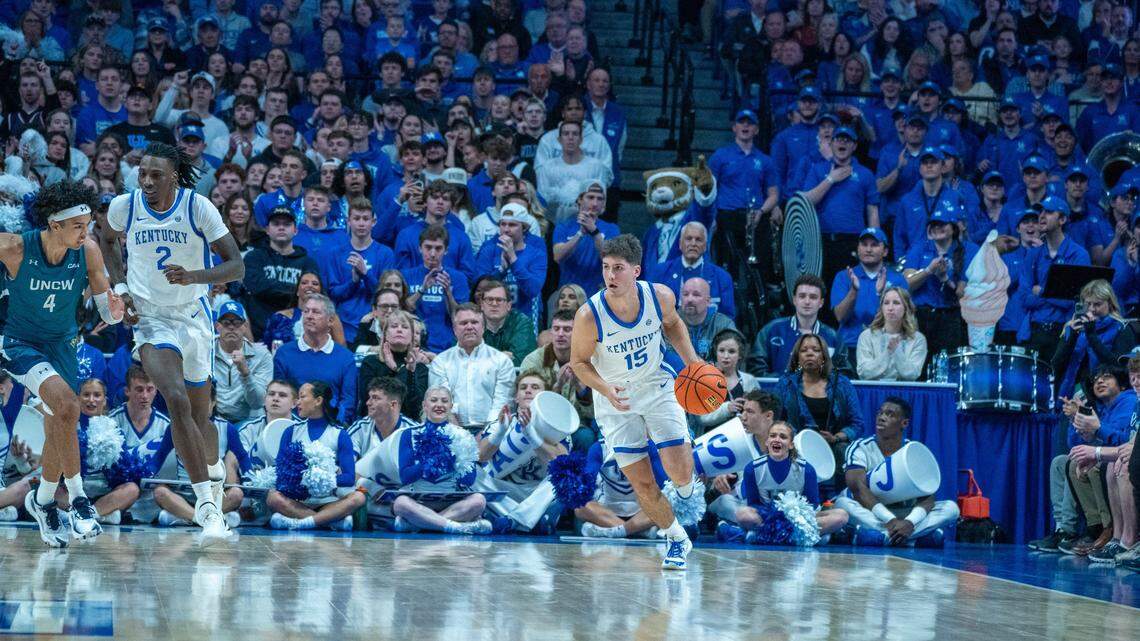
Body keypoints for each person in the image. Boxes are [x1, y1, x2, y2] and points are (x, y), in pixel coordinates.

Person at [569, 234, 707, 570]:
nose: (610, 275)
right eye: (605, 268)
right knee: (643, 483)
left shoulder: (660, 296)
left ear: (636, 271)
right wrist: (604, 388)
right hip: (614, 400)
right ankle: (677, 538)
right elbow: (579, 364)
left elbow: (673, 325)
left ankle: (687, 493)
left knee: (680, 471)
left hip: (656, 386)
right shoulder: (589, 315)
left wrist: (693, 363)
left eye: (618, 268)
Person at [0, 180, 122, 548]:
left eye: (88, 225)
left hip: (64, 345)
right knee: (69, 405)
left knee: (61, 422)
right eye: (79, 226)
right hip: (21, 343)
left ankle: (42, 501)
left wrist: (115, 310)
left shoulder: (88, 250)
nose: (87, 233)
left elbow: (105, 305)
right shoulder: (16, 247)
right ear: (54, 225)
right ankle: (80, 499)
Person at [356, 386, 492, 534]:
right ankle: (456, 526)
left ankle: (420, 525)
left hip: (451, 500)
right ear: (424, 405)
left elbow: (469, 480)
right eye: (433, 400)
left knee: (479, 501)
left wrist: (455, 459)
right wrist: (428, 461)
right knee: (401, 504)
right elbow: (405, 476)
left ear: (451, 406)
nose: (439, 405)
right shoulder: (408, 434)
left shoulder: (463, 436)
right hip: (418, 500)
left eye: (444, 401)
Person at [714, 421, 850, 544]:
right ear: (767, 441)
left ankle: (760, 536)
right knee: (743, 514)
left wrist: (793, 515)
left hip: (798, 520)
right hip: (766, 517)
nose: (777, 439)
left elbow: (812, 505)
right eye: (772, 436)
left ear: (791, 445)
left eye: (783, 437)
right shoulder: (752, 468)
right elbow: (753, 504)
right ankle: (802, 537)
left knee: (841, 516)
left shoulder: (807, 470)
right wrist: (774, 516)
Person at [474, 370, 568, 533]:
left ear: (544, 395)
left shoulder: (557, 427)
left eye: (535, 387)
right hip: (504, 492)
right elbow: (481, 456)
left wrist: (533, 437)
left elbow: (562, 462)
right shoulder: (501, 421)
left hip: (537, 493)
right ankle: (528, 520)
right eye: (523, 387)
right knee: (469, 471)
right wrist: (500, 432)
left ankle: (511, 520)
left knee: (567, 474)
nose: (529, 390)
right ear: (516, 397)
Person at [1057, 366, 1136, 556]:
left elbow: (1125, 441)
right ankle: (1091, 528)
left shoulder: (1128, 401)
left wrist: (1098, 431)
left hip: (1122, 455)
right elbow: (1075, 446)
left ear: (1122, 385)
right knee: (1064, 462)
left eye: (1107, 377)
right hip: (1116, 452)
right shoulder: (1102, 408)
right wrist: (1075, 419)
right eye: (1096, 379)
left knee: (1106, 466)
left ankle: (1112, 531)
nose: (1099, 381)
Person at [266, 382, 365, 531]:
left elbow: (349, 478)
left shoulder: (339, 434)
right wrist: (300, 480)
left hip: (330, 501)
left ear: (318, 401)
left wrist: (321, 480)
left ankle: (302, 522)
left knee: (359, 497)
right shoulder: (290, 431)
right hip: (298, 501)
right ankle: (328, 522)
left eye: (302, 397)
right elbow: (279, 472)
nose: (298, 402)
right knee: (273, 497)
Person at [803, 126, 881, 288]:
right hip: (821, 241)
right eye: (838, 139)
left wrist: (876, 243)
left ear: (854, 146)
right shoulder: (817, 169)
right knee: (820, 288)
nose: (842, 143)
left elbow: (872, 212)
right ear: (831, 144)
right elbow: (806, 202)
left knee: (850, 288)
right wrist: (831, 179)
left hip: (852, 241)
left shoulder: (865, 174)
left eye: (847, 140)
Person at [775, 334, 863, 473]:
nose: (810, 353)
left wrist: (836, 437)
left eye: (816, 350)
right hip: (796, 446)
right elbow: (777, 422)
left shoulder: (841, 383)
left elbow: (857, 423)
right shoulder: (786, 384)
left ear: (824, 356)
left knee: (844, 451)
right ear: (797, 357)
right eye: (804, 350)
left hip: (834, 447)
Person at [902, 209, 977, 369]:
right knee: (919, 367)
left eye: (943, 224)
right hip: (921, 316)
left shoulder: (968, 250)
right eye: (934, 224)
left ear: (953, 228)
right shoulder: (920, 248)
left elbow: (963, 294)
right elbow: (907, 284)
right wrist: (928, 271)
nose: (938, 228)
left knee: (949, 368)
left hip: (952, 317)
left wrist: (944, 278)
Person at [1019, 197, 1092, 361]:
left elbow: (1074, 301)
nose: (1042, 216)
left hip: (1064, 333)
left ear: (1062, 220)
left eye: (1049, 212)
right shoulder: (1032, 254)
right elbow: (1025, 299)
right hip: (1034, 332)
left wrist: (1042, 291)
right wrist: (1057, 293)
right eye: (1041, 211)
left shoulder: (1079, 255)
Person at [272, 294, 358, 423]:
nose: (309, 316)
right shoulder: (284, 353)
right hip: (292, 426)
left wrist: (334, 428)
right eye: (306, 311)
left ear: (330, 320)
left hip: (331, 428)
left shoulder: (345, 358)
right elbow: (280, 396)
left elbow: (348, 403)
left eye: (316, 312)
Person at [428, 303, 515, 426]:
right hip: (451, 430)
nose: (469, 327)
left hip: (493, 431)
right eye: (463, 323)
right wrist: (461, 436)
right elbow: (441, 404)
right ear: (454, 330)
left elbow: (503, 403)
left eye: (474, 322)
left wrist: (486, 436)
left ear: (483, 327)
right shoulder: (440, 362)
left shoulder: (502, 361)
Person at [831, 227, 909, 360]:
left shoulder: (898, 280)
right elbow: (840, 316)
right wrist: (854, 291)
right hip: (849, 347)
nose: (868, 249)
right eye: (864, 244)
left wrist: (881, 294)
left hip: (885, 347)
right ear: (858, 248)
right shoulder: (844, 277)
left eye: (874, 245)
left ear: (885, 251)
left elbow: (902, 319)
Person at [1052, 280, 1136, 402]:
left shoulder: (1121, 328)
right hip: (1069, 394)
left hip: (1104, 396)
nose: (1091, 309)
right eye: (1088, 304)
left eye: (1097, 304)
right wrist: (1072, 336)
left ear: (1110, 304)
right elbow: (1056, 365)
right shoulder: (1073, 327)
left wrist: (1091, 336)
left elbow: (1119, 366)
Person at [707, 390, 781, 522]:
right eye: (743, 411)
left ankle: (741, 529)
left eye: (750, 412)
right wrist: (721, 475)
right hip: (744, 506)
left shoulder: (787, 443)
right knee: (725, 501)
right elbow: (715, 481)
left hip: (777, 505)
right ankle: (759, 528)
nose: (743, 417)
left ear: (769, 415)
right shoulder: (736, 440)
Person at [747, 274, 845, 376]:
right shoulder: (772, 330)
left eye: (813, 297)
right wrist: (787, 384)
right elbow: (756, 370)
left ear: (821, 302)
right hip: (776, 391)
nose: (807, 302)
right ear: (794, 300)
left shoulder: (832, 337)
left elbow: (844, 375)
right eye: (802, 296)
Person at [403, 225, 471, 353]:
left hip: (447, 345)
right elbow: (401, 310)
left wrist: (448, 293)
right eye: (428, 247)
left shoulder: (458, 278)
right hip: (412, 345)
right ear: (419, 248)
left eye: (438, 248)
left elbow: (460, 317)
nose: (433, 254)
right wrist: (422, 290)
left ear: (446, 250)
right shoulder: (406, 276)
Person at [356, 310, 429, 421]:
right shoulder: (370, 362)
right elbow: (371, 401)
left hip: (408, 425)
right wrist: (392, 371)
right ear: (385, 334)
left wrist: (408, 372)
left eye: (405, 327)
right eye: (394, 326)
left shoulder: (419, 367)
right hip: (373, 423)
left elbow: (414, 407)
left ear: (412, 335)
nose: (399, 329)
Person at [551, 180, 620, 292]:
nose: (595, 203)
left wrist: (594, 232)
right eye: (590, 197)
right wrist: (580, 233)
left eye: (600, 199)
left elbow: (611, 261)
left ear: (604, 203)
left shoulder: (612, 229)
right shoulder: (563, 226)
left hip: (598, 294)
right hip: (569, 294)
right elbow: (558, 256)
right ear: (579, 199)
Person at [657, 222, 735, 319]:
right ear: (680, 244)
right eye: (688, 239)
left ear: (705, 246)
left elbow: (728, 318)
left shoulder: (722, 277)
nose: (693, 244)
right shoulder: (660, 272)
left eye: (698, 240)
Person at [212, 301, 273, 423]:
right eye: (226, 323)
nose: (231, 327)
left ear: (245, 326)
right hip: (212, 418)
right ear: (217, 326)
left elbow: (258, 402)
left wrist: (245, 373)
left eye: (237, 323)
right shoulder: (206, 351)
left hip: (248, 421)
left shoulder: (261, 355)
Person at [857, 287, 927, 381]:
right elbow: (864, 372)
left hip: (904, 392)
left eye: (896, 303)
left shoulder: (918, 339)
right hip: (873, 391)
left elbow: (913, 373)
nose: (890, 308)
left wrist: (896, 352)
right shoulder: (867, 336)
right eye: (886, 303)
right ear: (881, 308)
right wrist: (887, 353)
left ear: (906, 308)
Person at [695, 330, 759, 432]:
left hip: (743, 438)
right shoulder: (706, 381)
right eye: (721, 350)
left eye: (731, 351)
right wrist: (727, 408)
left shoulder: (749, 381)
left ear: (740, 355)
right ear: (715, 352)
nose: (726, 356)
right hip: (712, 441)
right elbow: (703, 417)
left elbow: (759, 413)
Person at [347, 377, 419, 459]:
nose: (368, 403)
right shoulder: (360, 428)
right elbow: (346, 466)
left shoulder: (415, 432)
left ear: (393, 405)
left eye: (375, 398)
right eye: (369, 397)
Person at [478, 279, 537, 366]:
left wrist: (481, 359)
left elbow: (520, 360)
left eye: (499, 300)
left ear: (508, 306)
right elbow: (462, 358)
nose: (494, 304)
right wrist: (501, 356)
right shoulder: (472, 323)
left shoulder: (522, 323)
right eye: (489, 299)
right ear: (482, 305)